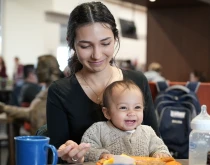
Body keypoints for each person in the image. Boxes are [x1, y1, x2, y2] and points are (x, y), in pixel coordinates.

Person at [46, 2, 159, 164]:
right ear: (71, 42)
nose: (97, 55)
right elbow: (55, 153)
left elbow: (154, 139)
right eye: (86, 46)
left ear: (115, 38)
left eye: (105, 43)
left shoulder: (137, 81)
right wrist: (67, 153)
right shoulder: (60, 91)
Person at [81, 80, 171, 162]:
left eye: (137, 107)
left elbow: (160, 147)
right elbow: (85, 151)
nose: (131, 113)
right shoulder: (98, 130)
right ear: (107, 112)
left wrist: (160, 153)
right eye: (123, 107)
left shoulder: (148, 132)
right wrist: (101, 155)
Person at [0, 54, 61, 135]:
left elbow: (32, 114)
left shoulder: (54, 91)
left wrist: (5, 108)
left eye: (38, 68)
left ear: (47, 69)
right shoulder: (48, 89)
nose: (36, 71)